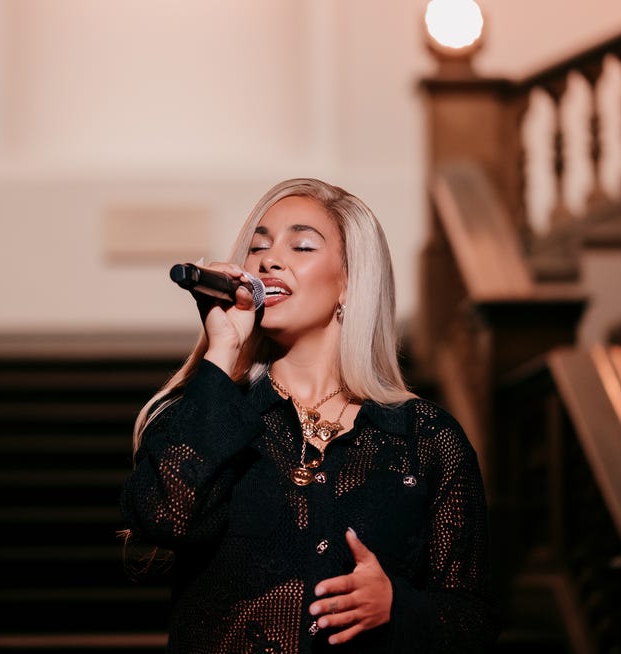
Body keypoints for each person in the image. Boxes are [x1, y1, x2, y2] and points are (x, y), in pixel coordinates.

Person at [121, 178, 497, 652]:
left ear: (351, 282)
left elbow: (474, 619)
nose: (269, 259)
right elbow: (165, 519)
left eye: (301, 246)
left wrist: (398, 608)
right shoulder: (207, 415)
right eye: (258, 246)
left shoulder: (425, 438)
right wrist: (223, 350)